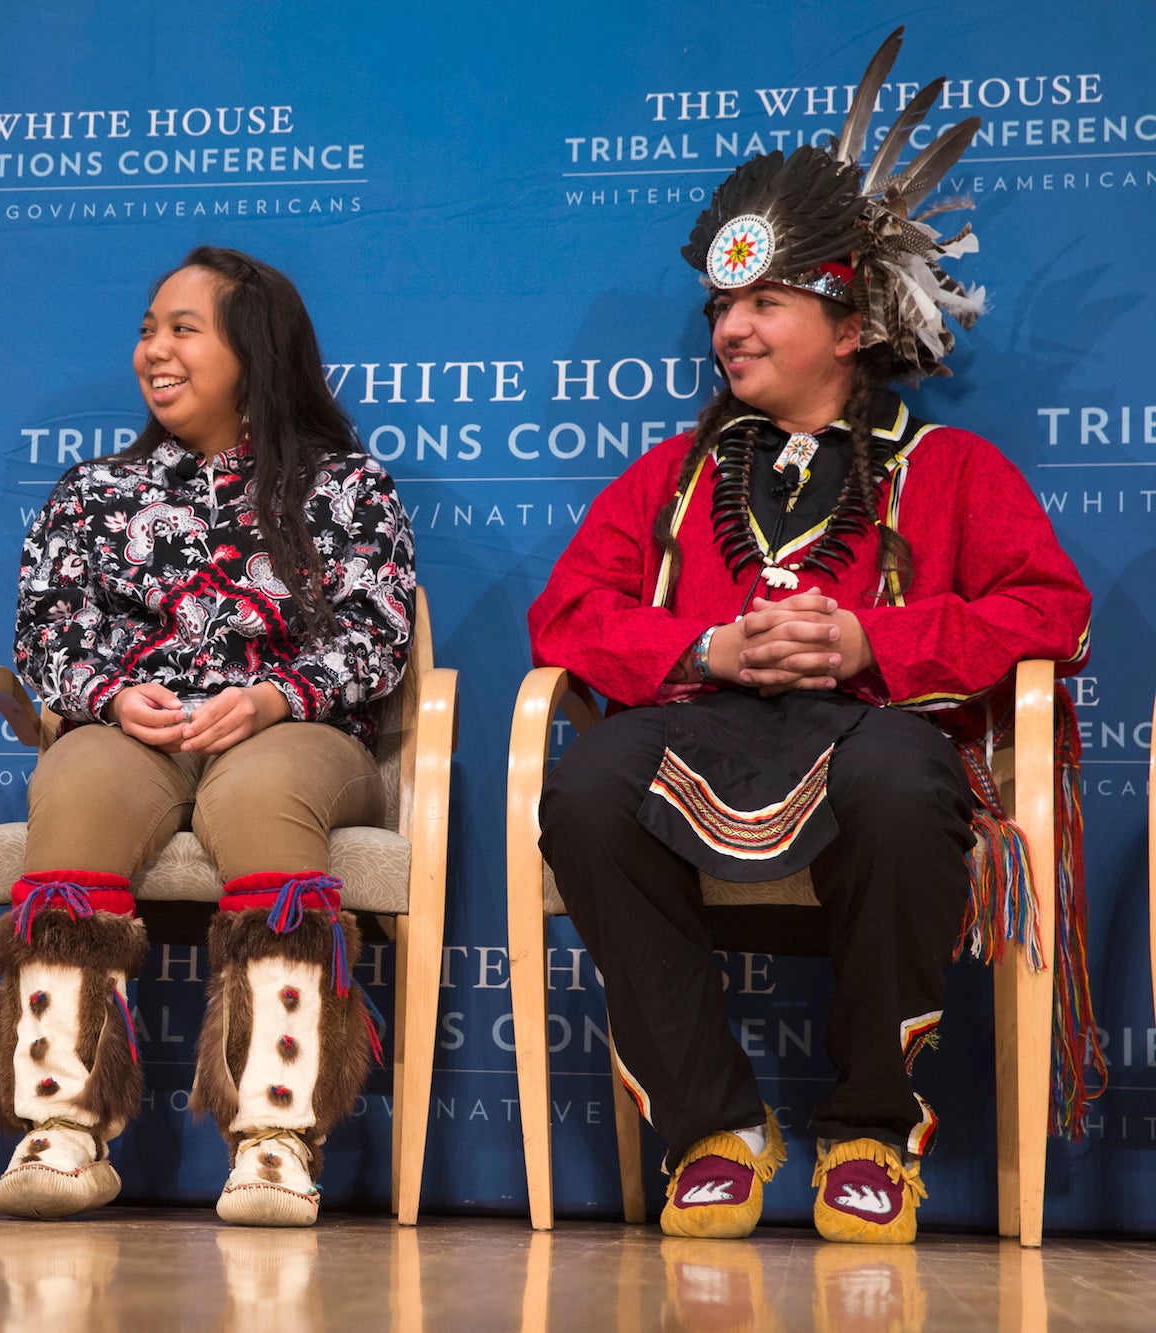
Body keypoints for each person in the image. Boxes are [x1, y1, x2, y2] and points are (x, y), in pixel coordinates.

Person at [528, 31, 1094, 1245]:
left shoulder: (948, 469)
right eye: (721, 303)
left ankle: (870, 1127)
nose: (729, 327)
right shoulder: (666, 480)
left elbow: (1050, 611)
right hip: (698, 722)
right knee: (581, 787)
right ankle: (708, 1125)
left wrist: (868, 645)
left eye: (762, 302)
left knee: (899, 773)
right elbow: (566, 617)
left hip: (871, 731)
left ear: (848, 326)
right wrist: (707, 653)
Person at [0, 246, 415, 1226]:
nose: (152, 350)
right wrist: (108, 692)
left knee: (258, 792)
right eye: (146, 328)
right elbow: (46, 630)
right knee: (78, 783)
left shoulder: (346, 487)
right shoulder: (93, 492)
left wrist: (273, 697)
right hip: (137, 725)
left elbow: (376, 635)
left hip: (294, 729)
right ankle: (61, 1123)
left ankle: (274, 1128)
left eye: (182, 328)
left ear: (251, 352)